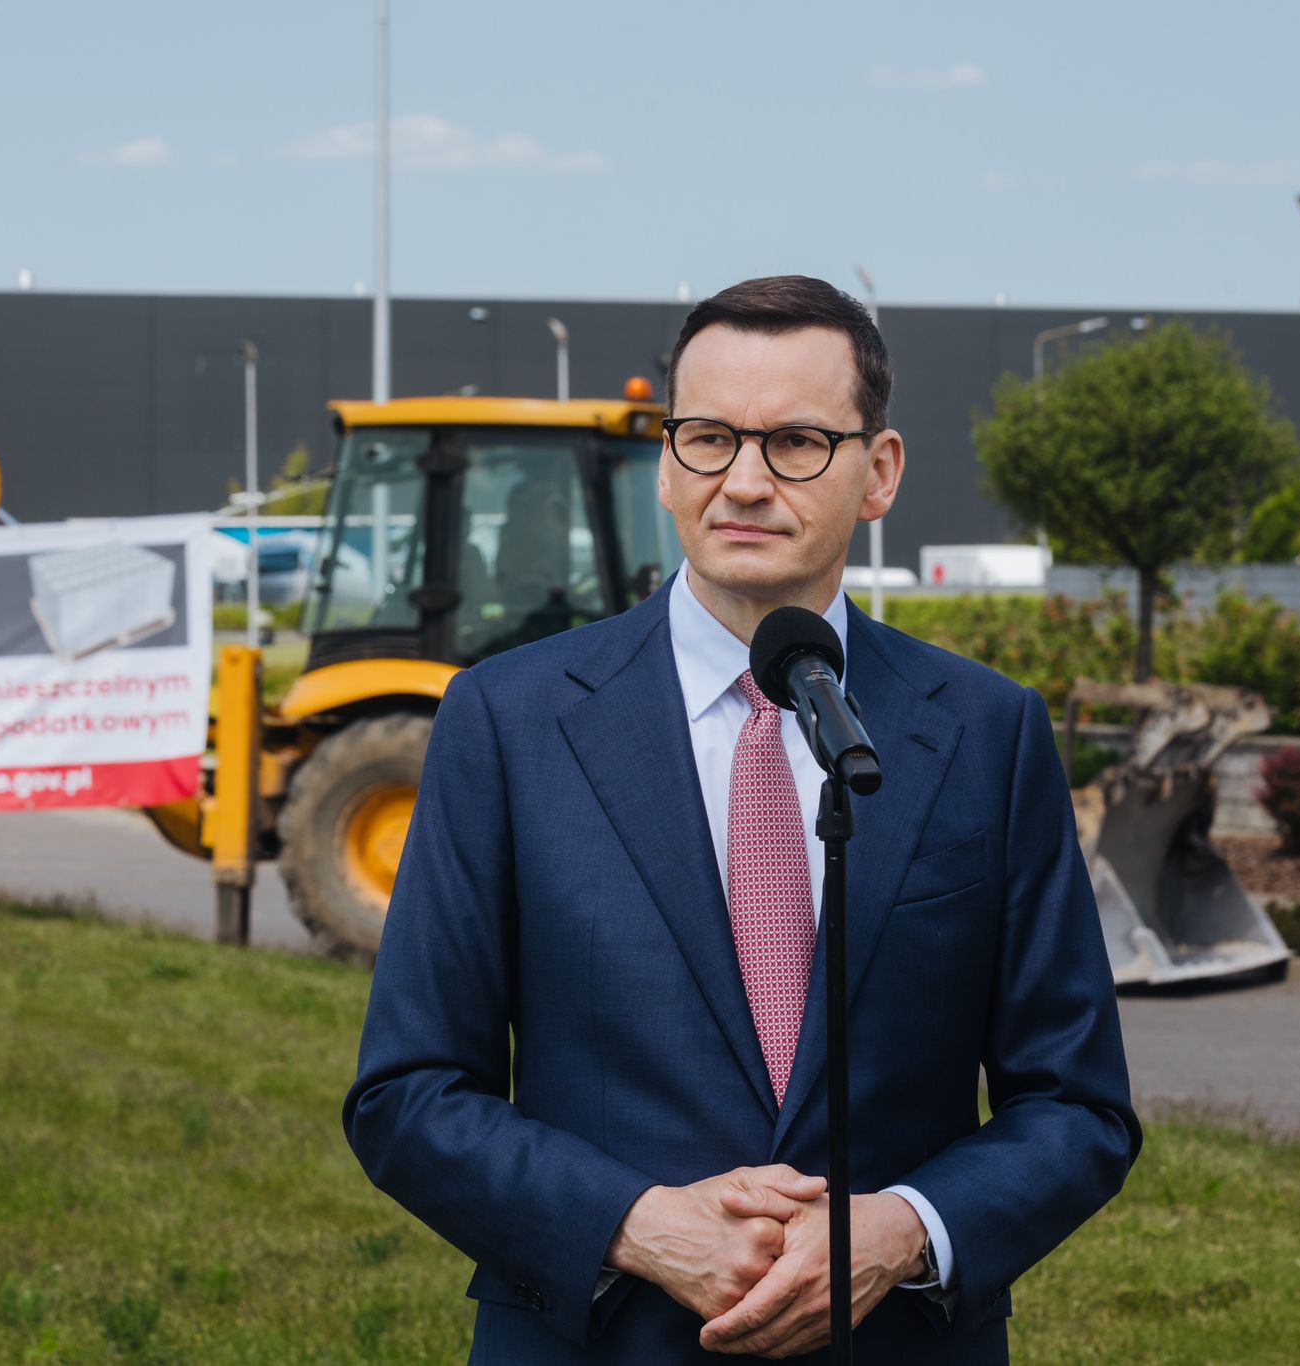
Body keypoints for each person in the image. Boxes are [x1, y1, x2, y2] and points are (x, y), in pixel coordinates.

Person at [342, 275, 1140, 1363]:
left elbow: (1078, 1103)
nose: (746, 482)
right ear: (667, 465)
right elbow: (407, 1093)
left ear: (879, 472)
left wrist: (907, 1229)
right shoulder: (507, 719)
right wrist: (634, 1225)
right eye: (710, 438)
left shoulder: (986, 732)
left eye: (797, 443)